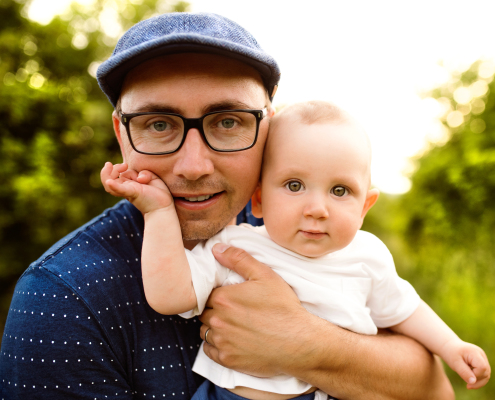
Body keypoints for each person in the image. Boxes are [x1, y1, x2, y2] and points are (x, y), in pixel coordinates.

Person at [0, 12, 455, 400]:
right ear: (122, 135)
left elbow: (438, 390)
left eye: (228, 122)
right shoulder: (61, 301)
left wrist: (307, 345)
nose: (194, 165)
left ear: (268, 130)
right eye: (159, 124)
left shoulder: (300, 226)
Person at [101, 101, 490, 400]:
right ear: (258, 201)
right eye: (293, 185)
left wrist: (452, 345)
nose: (317, 208)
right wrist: (158, 213)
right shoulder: (235, 246)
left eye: (340, 191)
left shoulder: (367, 256)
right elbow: (170, 296)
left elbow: (406, 310)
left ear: (365, 207)